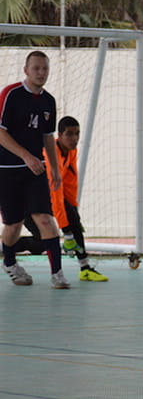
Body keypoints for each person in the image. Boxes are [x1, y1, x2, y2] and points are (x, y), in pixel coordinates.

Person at [0, 51, 70, 288]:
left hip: (36, 171)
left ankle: (57, 275)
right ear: (26, 70)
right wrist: (26, 156)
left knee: (45, 219)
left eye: (45, 69)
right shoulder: (11, 94)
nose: (41, 73)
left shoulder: (49, 101)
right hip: (7, 169)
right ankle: (9, 262)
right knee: (13, 225)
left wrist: (56, 169)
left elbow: (47, 136)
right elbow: (0, 132)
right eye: (36, 68)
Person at [13, 116, 108, 281]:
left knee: (74, 220)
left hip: (46, 198)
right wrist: (67, 232)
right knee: (43, 243)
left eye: (77, 134)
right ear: (60, 135)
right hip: (28, 201)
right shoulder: (50, 155)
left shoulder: (71, 150)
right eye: (70, 134)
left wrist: (73, 210)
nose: (75, 139)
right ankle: (8, 247)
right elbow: (55, 194)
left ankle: (85, 268)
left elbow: (70, 181)